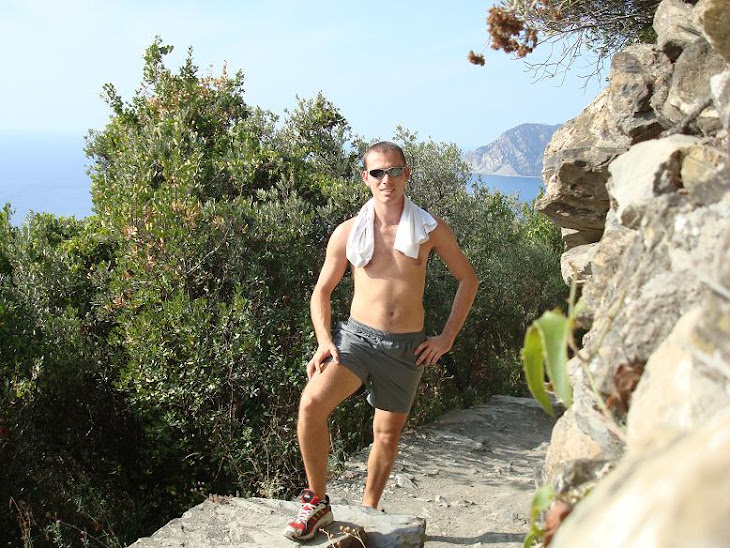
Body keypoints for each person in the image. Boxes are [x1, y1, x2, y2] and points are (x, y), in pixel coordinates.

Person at [284, 141, 479, 541]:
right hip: (355, 339)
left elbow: (468, 279)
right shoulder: (347, 233)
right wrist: (324, 340)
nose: (385, 179)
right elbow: (321, 291)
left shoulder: (429, 229)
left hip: (407, 347)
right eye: (377, 172)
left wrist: (446, 337)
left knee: (386, 435)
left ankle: (369, 509)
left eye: (393, 171)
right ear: (365, 179)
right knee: (310, 404)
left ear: (407, 175)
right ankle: (317, 502)